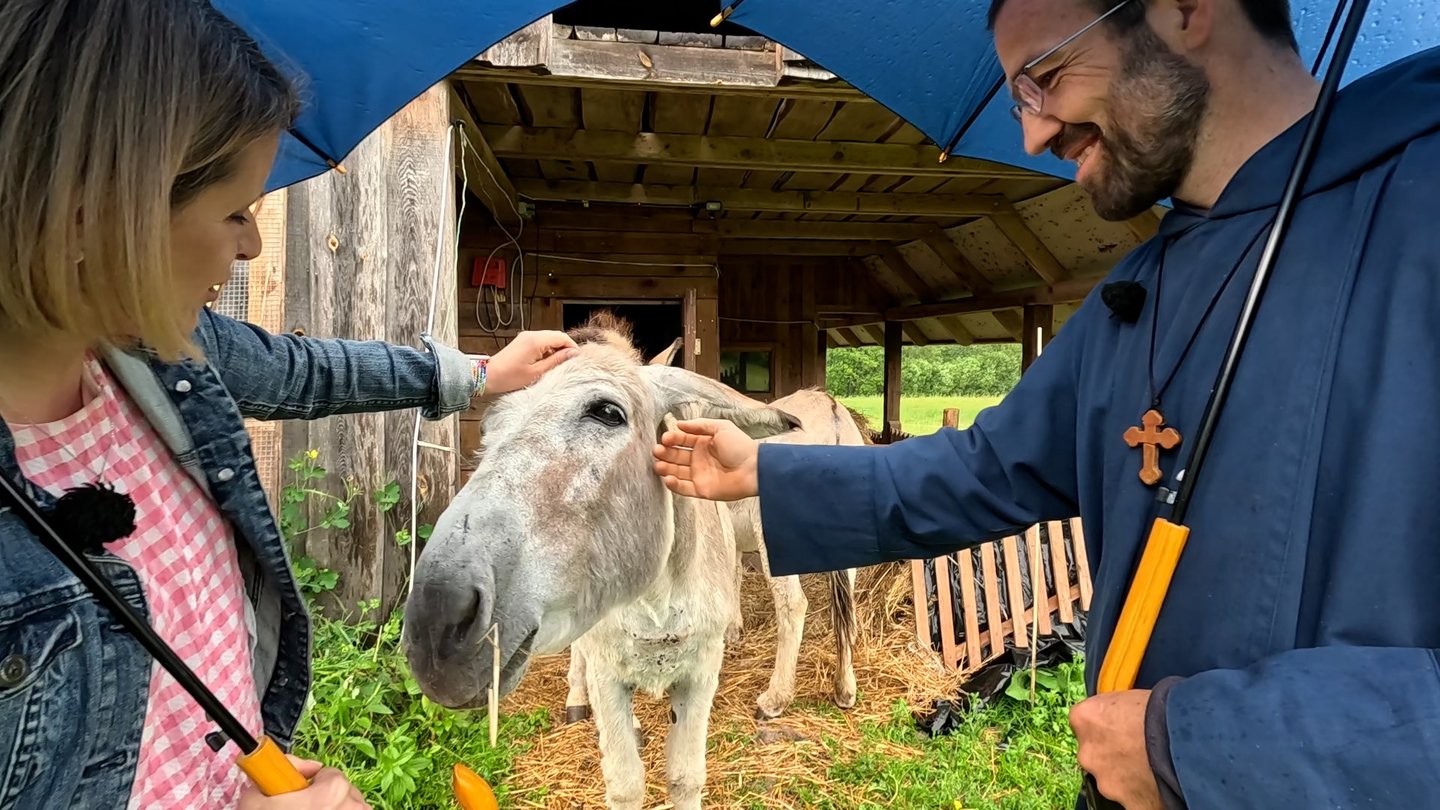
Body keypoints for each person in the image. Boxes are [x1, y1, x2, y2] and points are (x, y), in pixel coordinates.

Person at [653, 1, 1440, 808]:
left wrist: (1202, 746)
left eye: (1047, 77)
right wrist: (771, 472)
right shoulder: (1132, 298)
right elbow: (986, 469)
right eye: (1015, 100)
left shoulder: (1420, 210)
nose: (1033, 136)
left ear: (1186, 9)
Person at [0, 2, 577, 808]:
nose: (252, 247)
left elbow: (303, 373)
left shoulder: (152, 352)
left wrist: (481, 376)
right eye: (236, 210)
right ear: (91, 214)